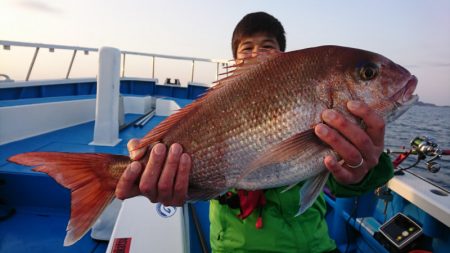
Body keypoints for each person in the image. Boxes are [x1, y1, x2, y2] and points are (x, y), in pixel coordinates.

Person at [115, 12, 393, 253]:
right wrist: (152, 165)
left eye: (267, 47)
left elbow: (343, 179)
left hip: (312, 246)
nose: (257, 54)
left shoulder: (313, 105)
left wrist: (365, 166)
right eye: (246, 48)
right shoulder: (214, 107)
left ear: (284, 58)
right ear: (234, 61)